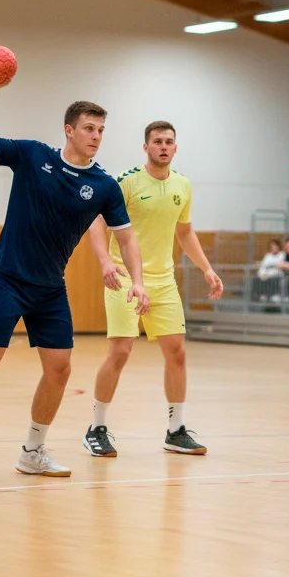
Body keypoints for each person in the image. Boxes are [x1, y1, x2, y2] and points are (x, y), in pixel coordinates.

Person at [0, 90, 149, 481]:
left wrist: (140, 283)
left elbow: (127, 238)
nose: (96, 136)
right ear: (69, 130)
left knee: (59, 369)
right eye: (88, 128)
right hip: (7, 278)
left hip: (50, 287)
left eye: (101, 130)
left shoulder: (104, 185)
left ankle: (33, 451)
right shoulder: (33, 156)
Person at [83, 121, 223, 459]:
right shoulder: (126, 181)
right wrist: (105, 262)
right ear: (145, 147)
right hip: (125, 278)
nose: (163, 146)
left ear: (176, 148)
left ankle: (176, 431)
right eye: (157, 141)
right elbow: (97, 223)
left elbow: (185, 232)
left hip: (163, 281)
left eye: (169, 142)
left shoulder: (182, 186)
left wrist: (207, 268)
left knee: (177, 353)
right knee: (120, 353)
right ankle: (96, 428)